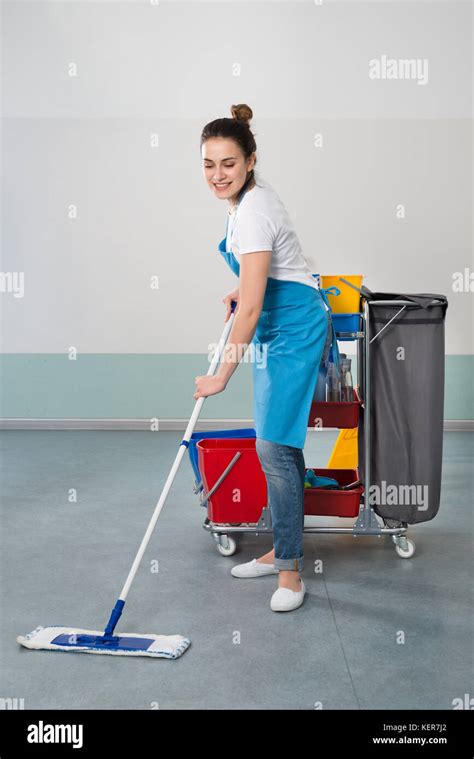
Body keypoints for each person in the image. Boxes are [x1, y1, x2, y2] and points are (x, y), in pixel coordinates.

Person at [194, 103, 330, 612]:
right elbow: (269, 274)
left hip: (292, 327)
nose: (217, 175)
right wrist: (241, 287)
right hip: (280, 317)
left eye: (228, 164)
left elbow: (252, 308)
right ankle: (281, 552)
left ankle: (291, 573)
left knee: (275, 448)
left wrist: (220, 374)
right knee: (275, 446)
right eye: (209, 164)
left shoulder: (251, 211)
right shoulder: (246, 200)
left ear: (250, 161)